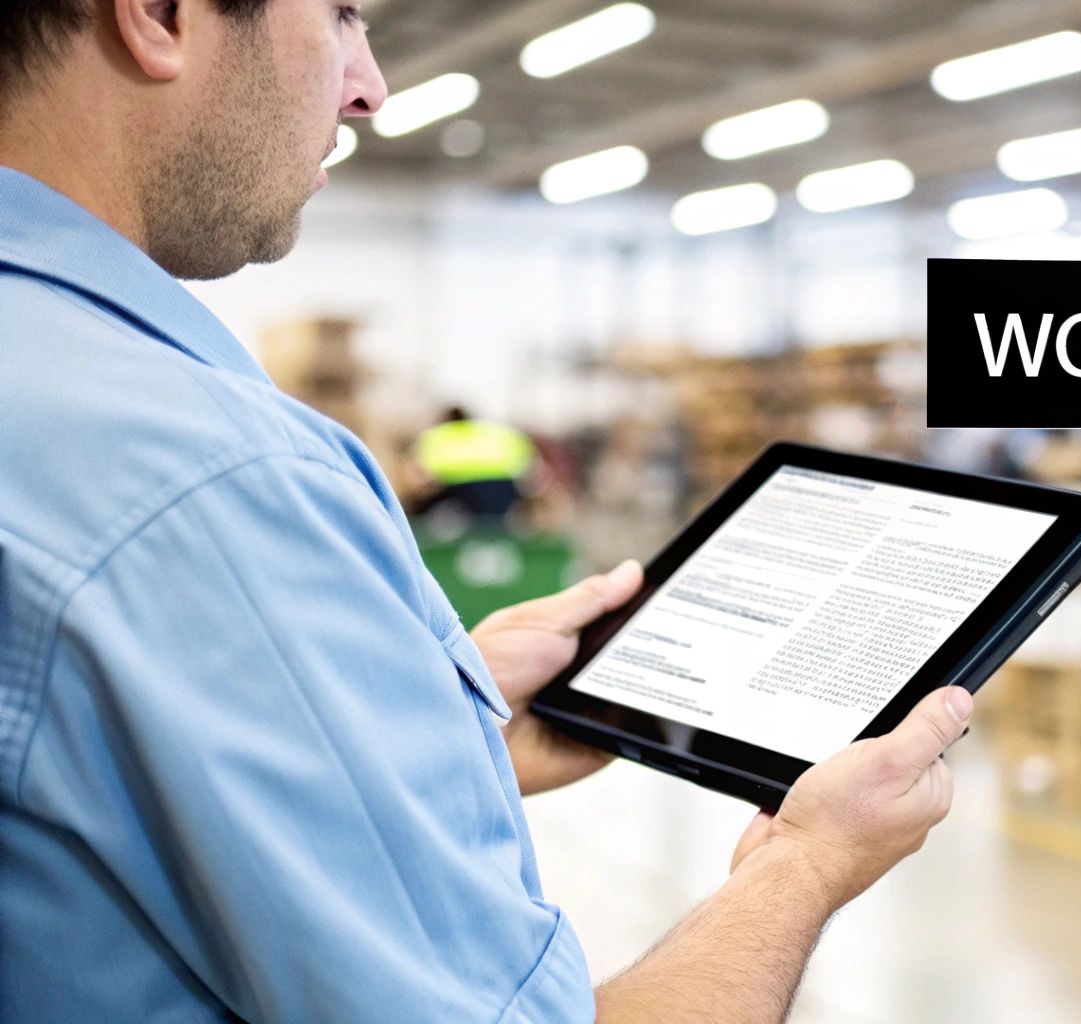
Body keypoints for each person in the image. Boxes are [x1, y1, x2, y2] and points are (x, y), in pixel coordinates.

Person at [0, 1, 970, 1021]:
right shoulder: (209, 481)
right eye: (338, 15)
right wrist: (805, 861)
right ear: (158, 16)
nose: (371, 85)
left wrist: (431, 725)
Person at [409, 405, 538, 522]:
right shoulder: (495, 432)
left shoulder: (438, 435)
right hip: (502, 481)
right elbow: (527, 462)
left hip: (460, 484)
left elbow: (422, 477)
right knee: (495, 521)